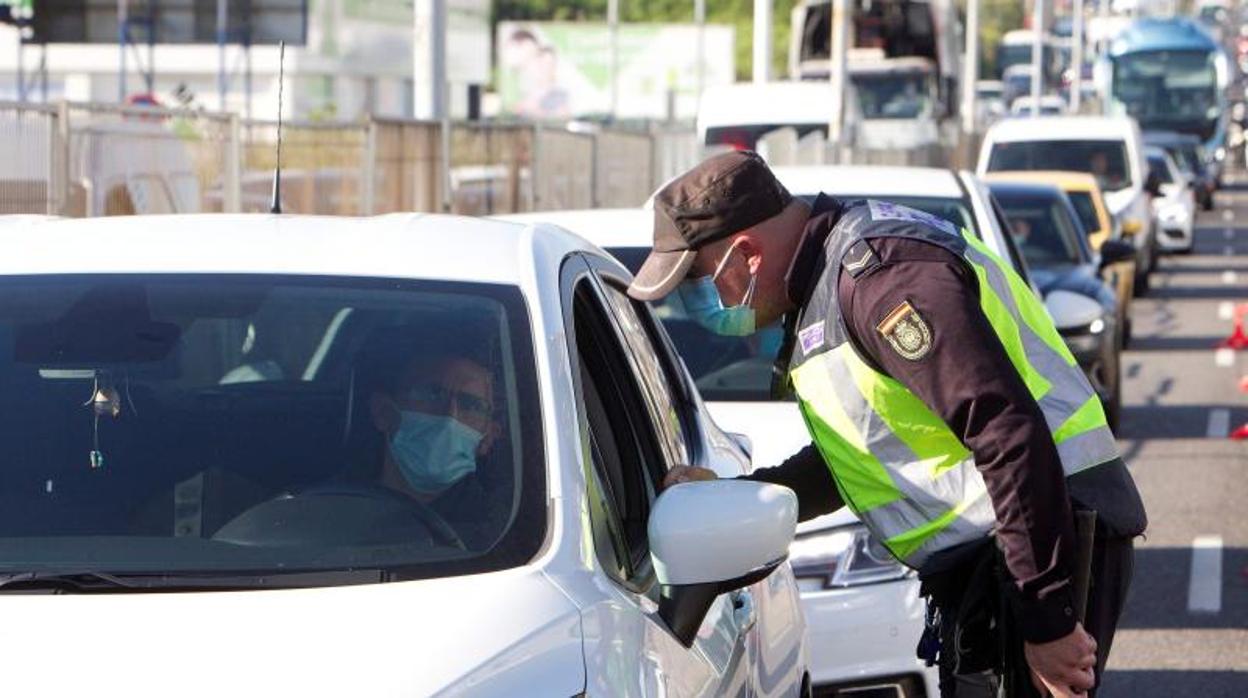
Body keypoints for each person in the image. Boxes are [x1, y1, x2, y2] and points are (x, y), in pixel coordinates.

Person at [629, 151, 1146, 698]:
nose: (702, 301)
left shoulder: (883, 280)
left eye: (700, 279)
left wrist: (1048, 622)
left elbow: (1005, 432)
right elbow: (859, 457)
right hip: (1007, 552)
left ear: (747, 255)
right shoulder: (828, 288)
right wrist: (739, 499)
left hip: (1044, 540)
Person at [357, 326, 506, 549]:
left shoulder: (502, 537)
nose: (449, 416)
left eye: (471, 405)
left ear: (488, 437)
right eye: (432, 394)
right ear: (383, 412)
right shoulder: (325, 510)